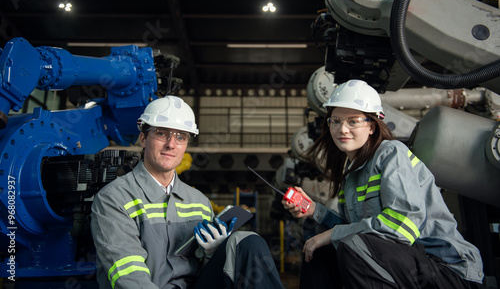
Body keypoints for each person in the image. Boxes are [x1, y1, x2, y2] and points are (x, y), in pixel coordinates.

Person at [283, 79, 484, 289]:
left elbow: (402, 226)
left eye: (353, 121)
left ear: (371, 126)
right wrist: (315, 210)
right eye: (335, 120)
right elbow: (354, 229)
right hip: (402, 264)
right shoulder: (351, 175)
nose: (342, 129)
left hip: (447, 270)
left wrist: (333, 234)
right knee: (316, 251)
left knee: (352, 245)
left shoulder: (391, 153)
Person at [91, 95, 284, 289]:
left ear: (186, 145)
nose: (171, 144)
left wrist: (213, 252)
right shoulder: (114, 198)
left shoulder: (199, 202)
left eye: (181, 137)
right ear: (143, 138)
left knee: (246, 241)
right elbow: (129, 277)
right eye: (161, 133)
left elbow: (207, 273)